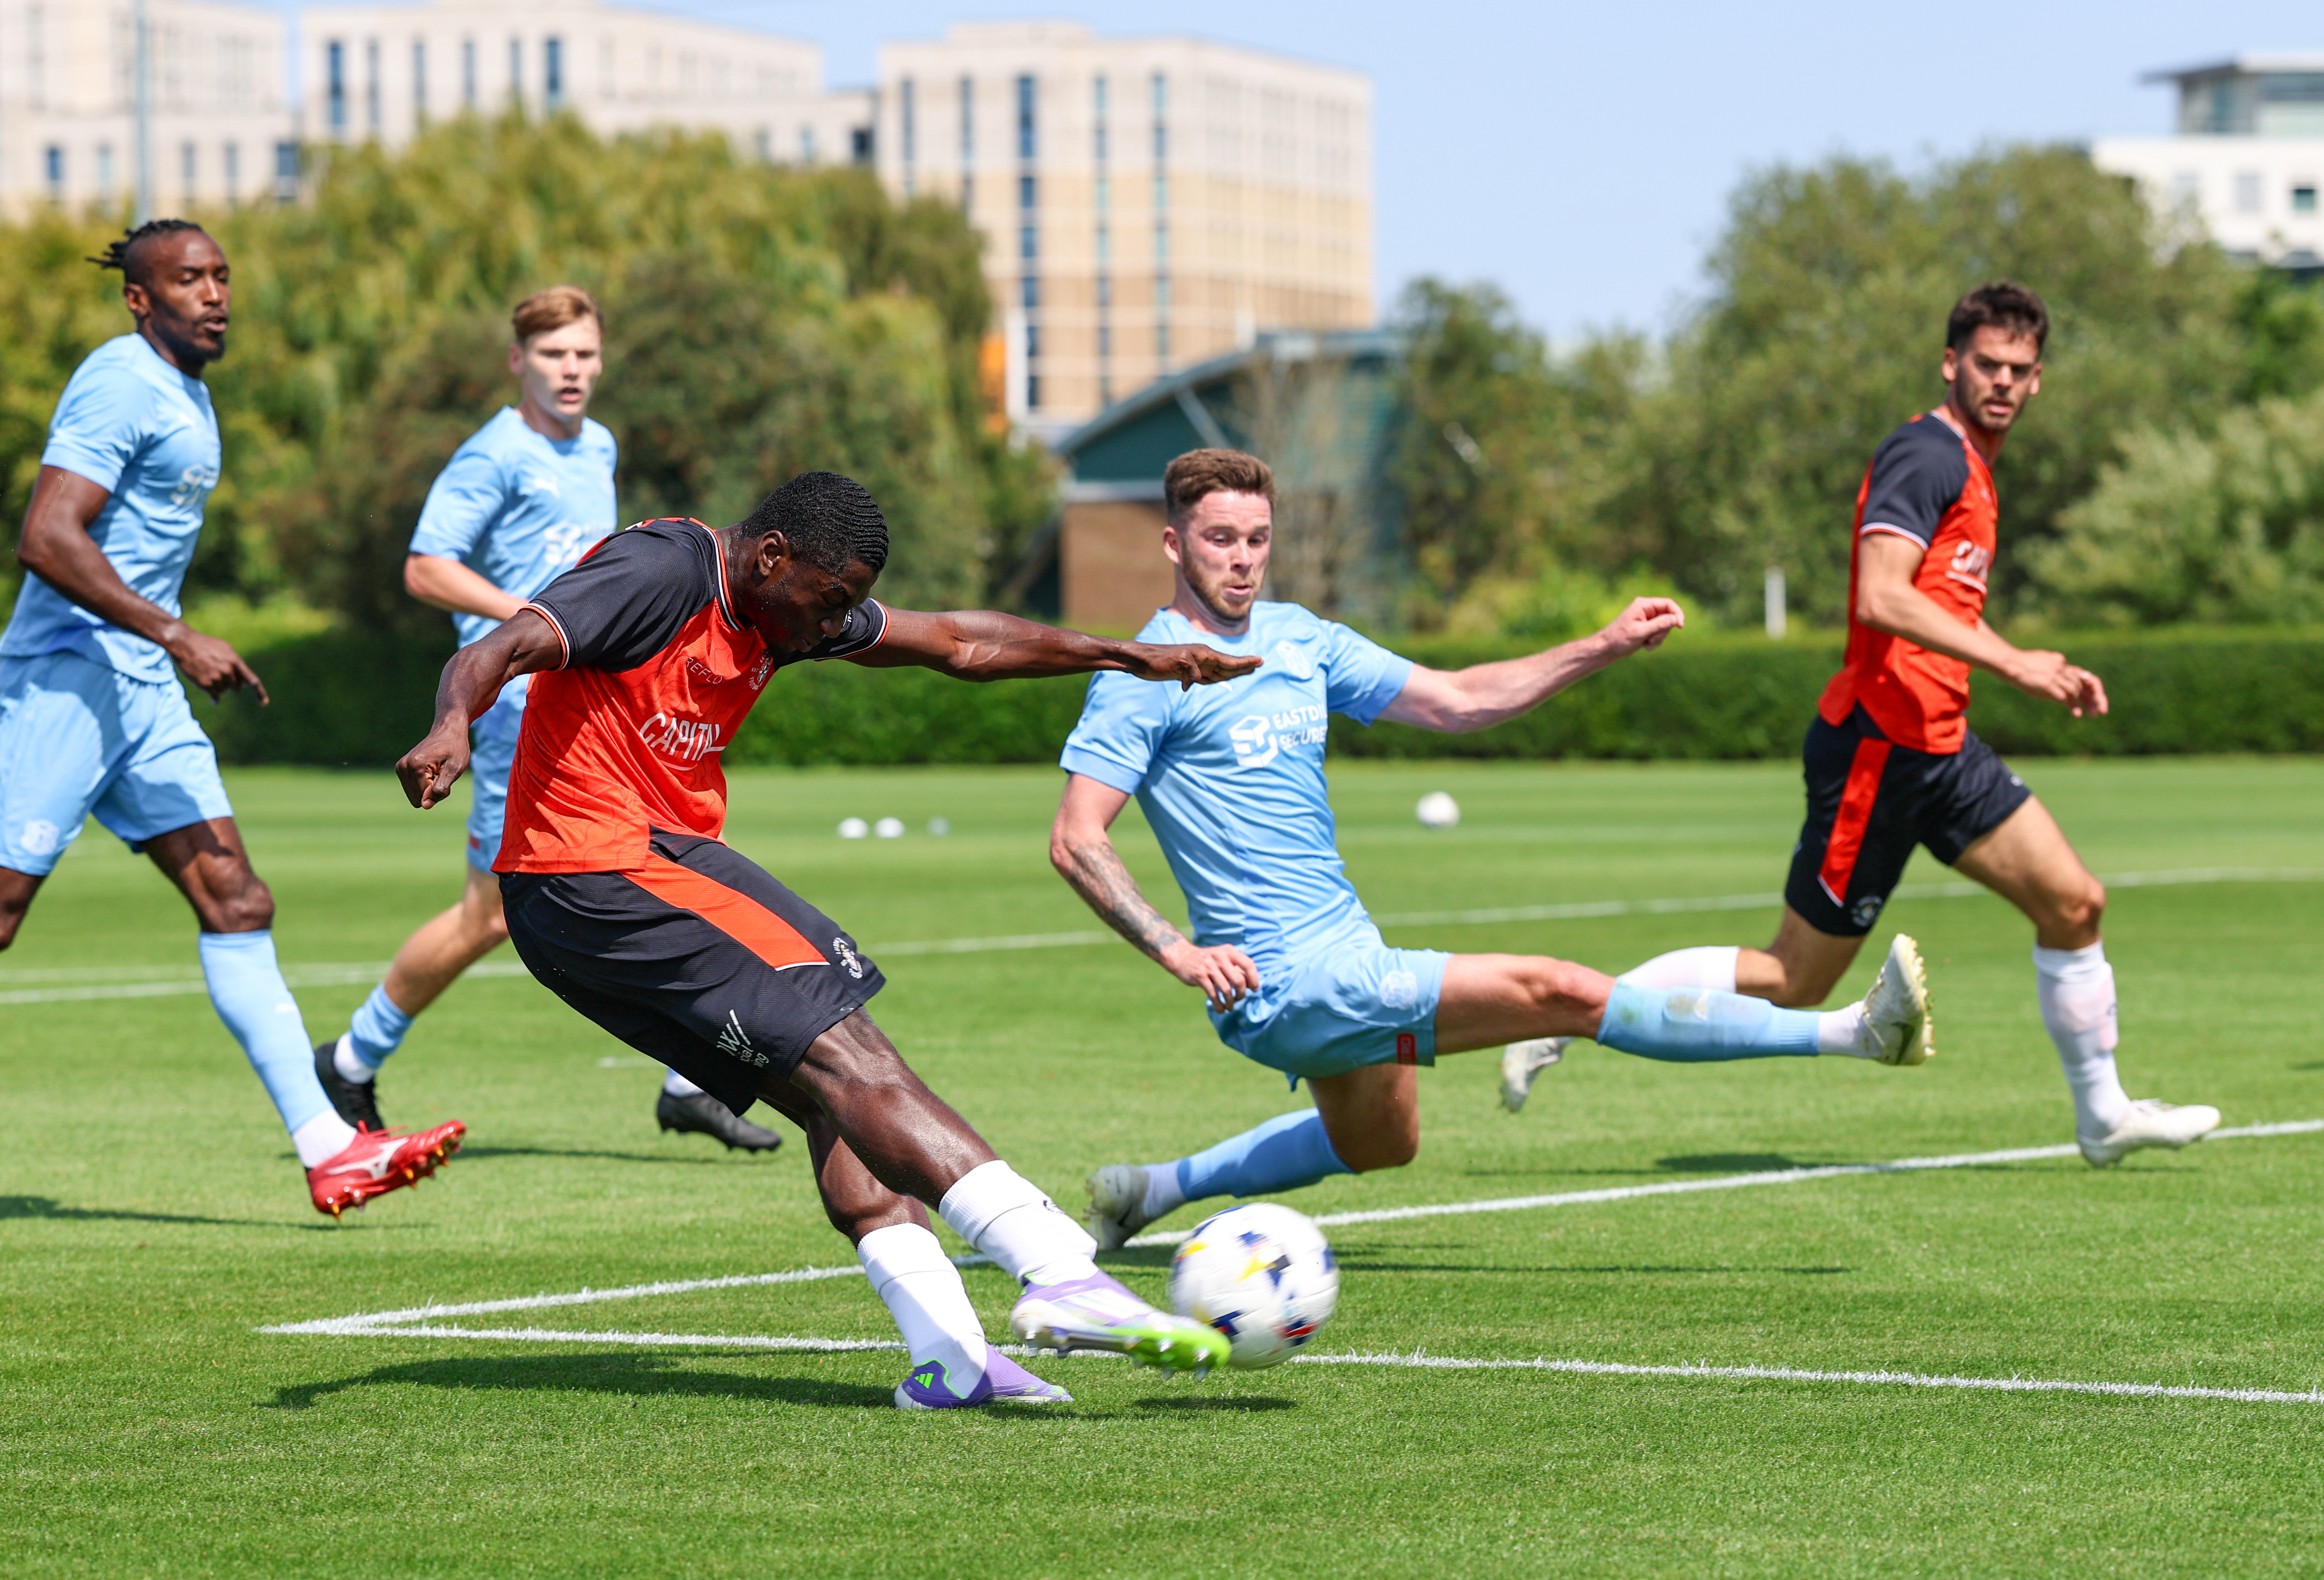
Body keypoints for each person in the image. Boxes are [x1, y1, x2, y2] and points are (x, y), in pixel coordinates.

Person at [395, 471, 1262, 1407]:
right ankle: (1060, 1271)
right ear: (772, 557)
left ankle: (953, 1364)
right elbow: (506, 643)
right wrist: (452, 724)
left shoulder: (782, 603)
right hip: (600, 868)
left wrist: (1131, 656)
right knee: (857, 1060)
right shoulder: (662, 571)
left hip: (605, 886)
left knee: (830, 1097)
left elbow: (961, 642)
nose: (831, 626)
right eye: (829, 601)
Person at [1054, 450, 1936, 1254]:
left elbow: (1460, 700)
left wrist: (1605, 645)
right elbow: (1076, 836)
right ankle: (1853, 1033)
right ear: (1174, 544)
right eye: (1220, 540)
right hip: (1279, 980)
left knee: (1383, 1143)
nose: (1242, 559)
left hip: (1346, 945)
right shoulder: (1148, 671)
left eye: (1257, 539)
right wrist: (1178, 949)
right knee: (1561, 990)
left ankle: (1148, 1192)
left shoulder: (1300, 639)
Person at [1509, 284, 2219, 1168]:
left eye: (2019, 370)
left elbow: (1932, 604)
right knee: (1794, 978)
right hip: (1877, 751)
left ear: (2039, 381)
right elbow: (1884, 597)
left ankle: (2104, 1117)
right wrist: (2018, 663)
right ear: (1951, 363)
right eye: (1987, 365)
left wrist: (2011, 668)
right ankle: (1571, 1014)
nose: (2002, 382)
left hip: (1942, 749)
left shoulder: (1977, 469)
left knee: (2074, 903)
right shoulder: (1927, 454)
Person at [0, 220, 462, 1218]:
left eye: (221, 275)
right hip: (70, 678)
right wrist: (175, 633)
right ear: (140, 298)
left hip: (138, 688)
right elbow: (45, 534)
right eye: (188, 279)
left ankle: (330, 1148)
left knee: (237, 897)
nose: (214, 293)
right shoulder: (121, 380)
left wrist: (161, 648)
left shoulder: (188, 389)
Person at [304, 288, 776, 1154]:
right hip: (520, 710)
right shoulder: (494, 455)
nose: (574, 371)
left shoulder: (598, 445)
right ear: (518, 361)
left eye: (587, 356)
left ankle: (693, 1079)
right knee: (487, 914)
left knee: (673, 859)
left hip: (604, 705)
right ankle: (350, 1060)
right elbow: (425, 568)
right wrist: (530, 616)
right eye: (556, 355)